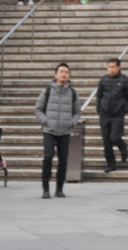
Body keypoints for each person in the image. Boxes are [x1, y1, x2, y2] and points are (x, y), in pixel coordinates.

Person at [34, 62, 80, 199]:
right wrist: (45, 121)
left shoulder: (73, 93)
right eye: (61, 71)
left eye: (67, 72)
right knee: (48, 157)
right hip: (49, 130)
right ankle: (45, 189)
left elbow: (77, 112)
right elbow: (38, 109)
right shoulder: (47, 91)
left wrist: (71, 122)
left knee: (63, 160)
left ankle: (59, 189)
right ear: (56, 75)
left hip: (65, 131)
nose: (64, 74)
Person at [96, 58, 128, 173]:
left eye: (113, 67)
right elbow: (99, 95)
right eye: (109, 67)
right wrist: (99, 109)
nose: (111, 69)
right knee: (106, 141)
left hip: (118, 114)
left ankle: (123, 147)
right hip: (105, 114)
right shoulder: (103, 80)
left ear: (119, 68)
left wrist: (125, 109)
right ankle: (111, 164)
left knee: (114, 137)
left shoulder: (125, 80)